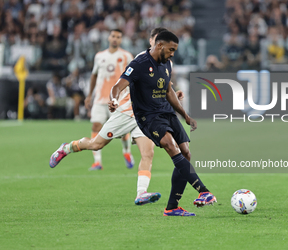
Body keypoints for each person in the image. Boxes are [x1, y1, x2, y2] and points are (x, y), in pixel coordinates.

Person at [49, 28, 183, 206]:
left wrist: (173, 93)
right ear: (153, 41)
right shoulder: (141, 59)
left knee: (148, 153)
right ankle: (67, 148)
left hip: (146, 116)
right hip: (127, 111)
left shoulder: (166, 62)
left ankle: (141, 193)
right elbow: (122, 83)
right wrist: (113, 98)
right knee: (96, 144)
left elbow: (162, 84)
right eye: (155, 40)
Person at [109, 31, 217, 216]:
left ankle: (172, 207)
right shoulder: (139, 64)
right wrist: (114, 100)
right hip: (148, 116)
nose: (172, 54)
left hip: (167, 112)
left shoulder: (166, 63)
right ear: (160, 46)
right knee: (170, 145)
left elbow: (169, 91)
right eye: (171, 50)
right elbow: (117, 86)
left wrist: (185, 115)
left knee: (186, 154)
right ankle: (203, 191)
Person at [85, 29, 135, 171]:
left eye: (118, 37)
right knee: (95, 126)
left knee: (123, 132)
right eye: (113, 36)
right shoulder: (99, 56)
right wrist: (89, 95)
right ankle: (97, 162)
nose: (115, 39)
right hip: (100, 99)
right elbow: (94, 75)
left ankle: (127, 152)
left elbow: (133, 76)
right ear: (108, 37)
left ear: (121, 40)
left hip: (119, 100)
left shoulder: (126, 56)